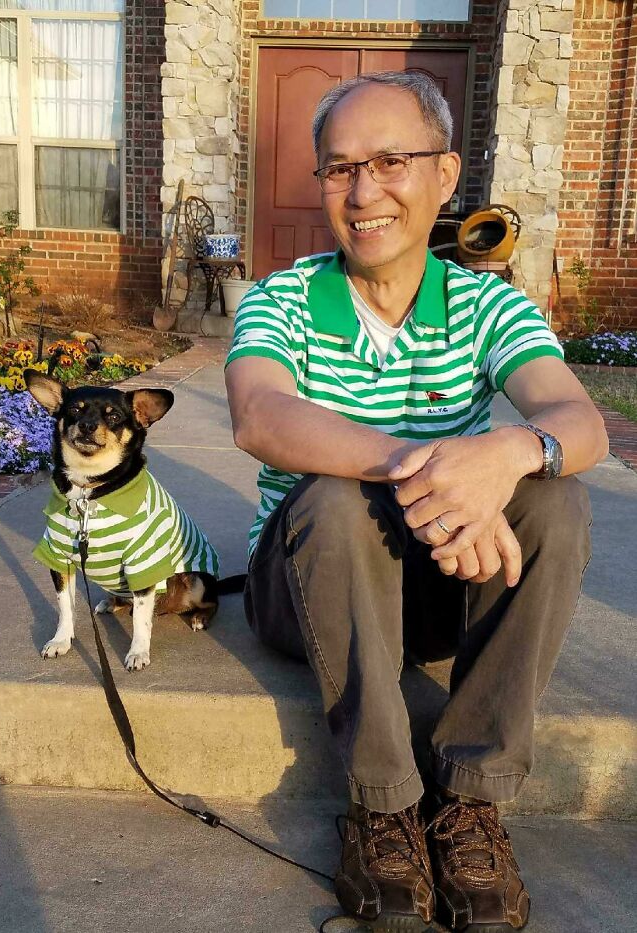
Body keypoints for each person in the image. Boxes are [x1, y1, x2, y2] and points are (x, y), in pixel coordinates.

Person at [224, 71, 607, 932]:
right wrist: (422, 467)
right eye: (338, 168)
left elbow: (580, 422)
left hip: (430, 586)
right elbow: (259, 414)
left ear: (444, 175)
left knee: (558, 501)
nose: (363, 193)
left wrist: (511, 451)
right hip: (302, 582)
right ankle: (383, 805)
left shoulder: (483, 303)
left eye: (391, 160)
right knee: (332, 496)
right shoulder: (284, 298)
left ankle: (471, 801)